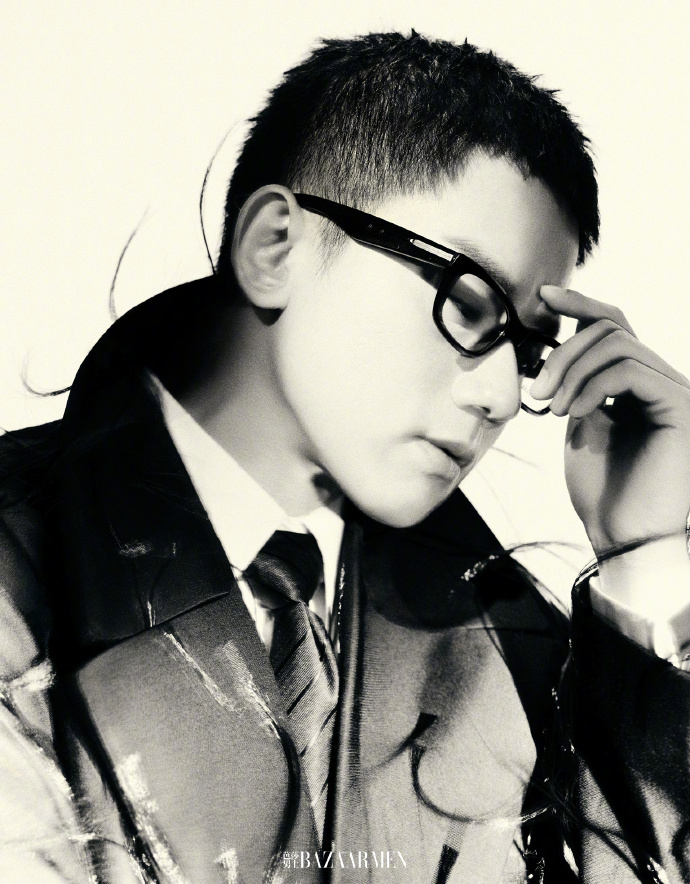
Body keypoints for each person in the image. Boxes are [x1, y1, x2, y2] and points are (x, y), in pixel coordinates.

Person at [1, 30, 689, 884]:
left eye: (528, 348)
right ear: (275, 246)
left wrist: (649, 557)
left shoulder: (514, 650)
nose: (502, 396)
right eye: (468, 305)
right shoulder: (24, 581)